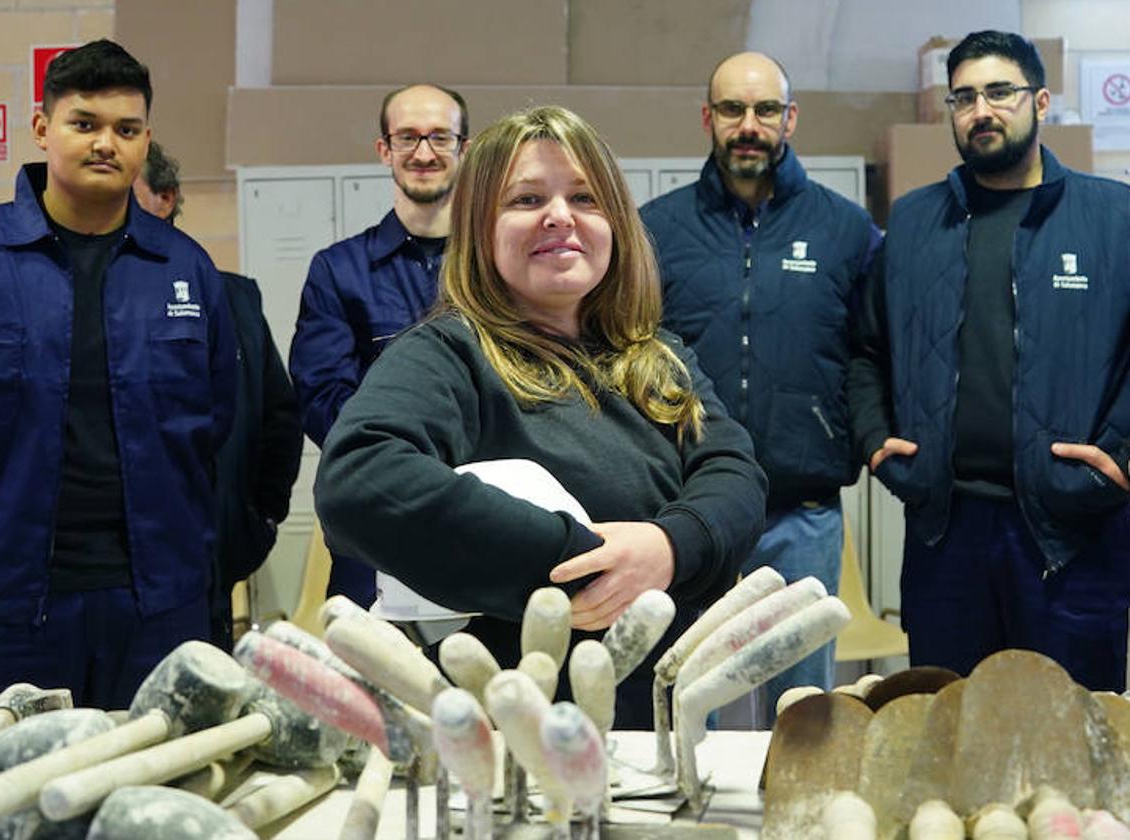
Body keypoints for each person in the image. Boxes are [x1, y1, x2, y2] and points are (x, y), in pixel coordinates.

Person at [315, 105, 768, 727]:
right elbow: (361, 481)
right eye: (527, 199)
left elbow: (732, 471)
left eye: (584, 196)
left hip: (658, 719)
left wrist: (669, 546)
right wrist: (582, 564)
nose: (560, 215)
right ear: (481, 229)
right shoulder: (449, 352)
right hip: (514, 735)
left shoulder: (655, 354)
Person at [0, 40, 237, 708]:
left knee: (156, 797)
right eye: (85, 124)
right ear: (43, 129)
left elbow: (216, 423)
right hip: (6, 607)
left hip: (159, 605)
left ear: (145, 141)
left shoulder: (187, 269)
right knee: (14, 798)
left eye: (126, 130)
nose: (106, 143)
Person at [848, 30, 1130, 691]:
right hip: (946, 533)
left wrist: (1122, 456)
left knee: (1072, 736)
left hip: (1073, 532)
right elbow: (865, 347)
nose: (982, 110)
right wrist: (875, 444)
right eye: (965, 96)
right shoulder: (915, 222)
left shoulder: (1112, 215)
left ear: (1040, 100)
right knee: (949, 728)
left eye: (1000, 92)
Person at [640, 52, 880, 720]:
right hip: (692, 509)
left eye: (766, 110)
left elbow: (872, 352)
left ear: (790, 118)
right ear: (708, 118)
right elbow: (628, 355)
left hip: (802, 512)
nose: (749, 125)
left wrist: (873, 441)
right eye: (732, 110)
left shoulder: (845, 229)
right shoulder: (658, 230)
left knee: (802, 709)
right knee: (691, 697)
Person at [290, 84, 469, 605]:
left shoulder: (502, 269)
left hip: (485, 523)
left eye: (440, 136)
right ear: (384, 150)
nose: (424, 152)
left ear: (465, 148)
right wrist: (415, 466)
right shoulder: (338, 271)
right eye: (407, 137)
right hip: (375, 529)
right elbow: (322, 401)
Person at [135, 140, 303, 652]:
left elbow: (279, 416)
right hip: (115, 566)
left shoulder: (232, 299)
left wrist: (257, 519)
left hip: (209, 561)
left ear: (165, 199)